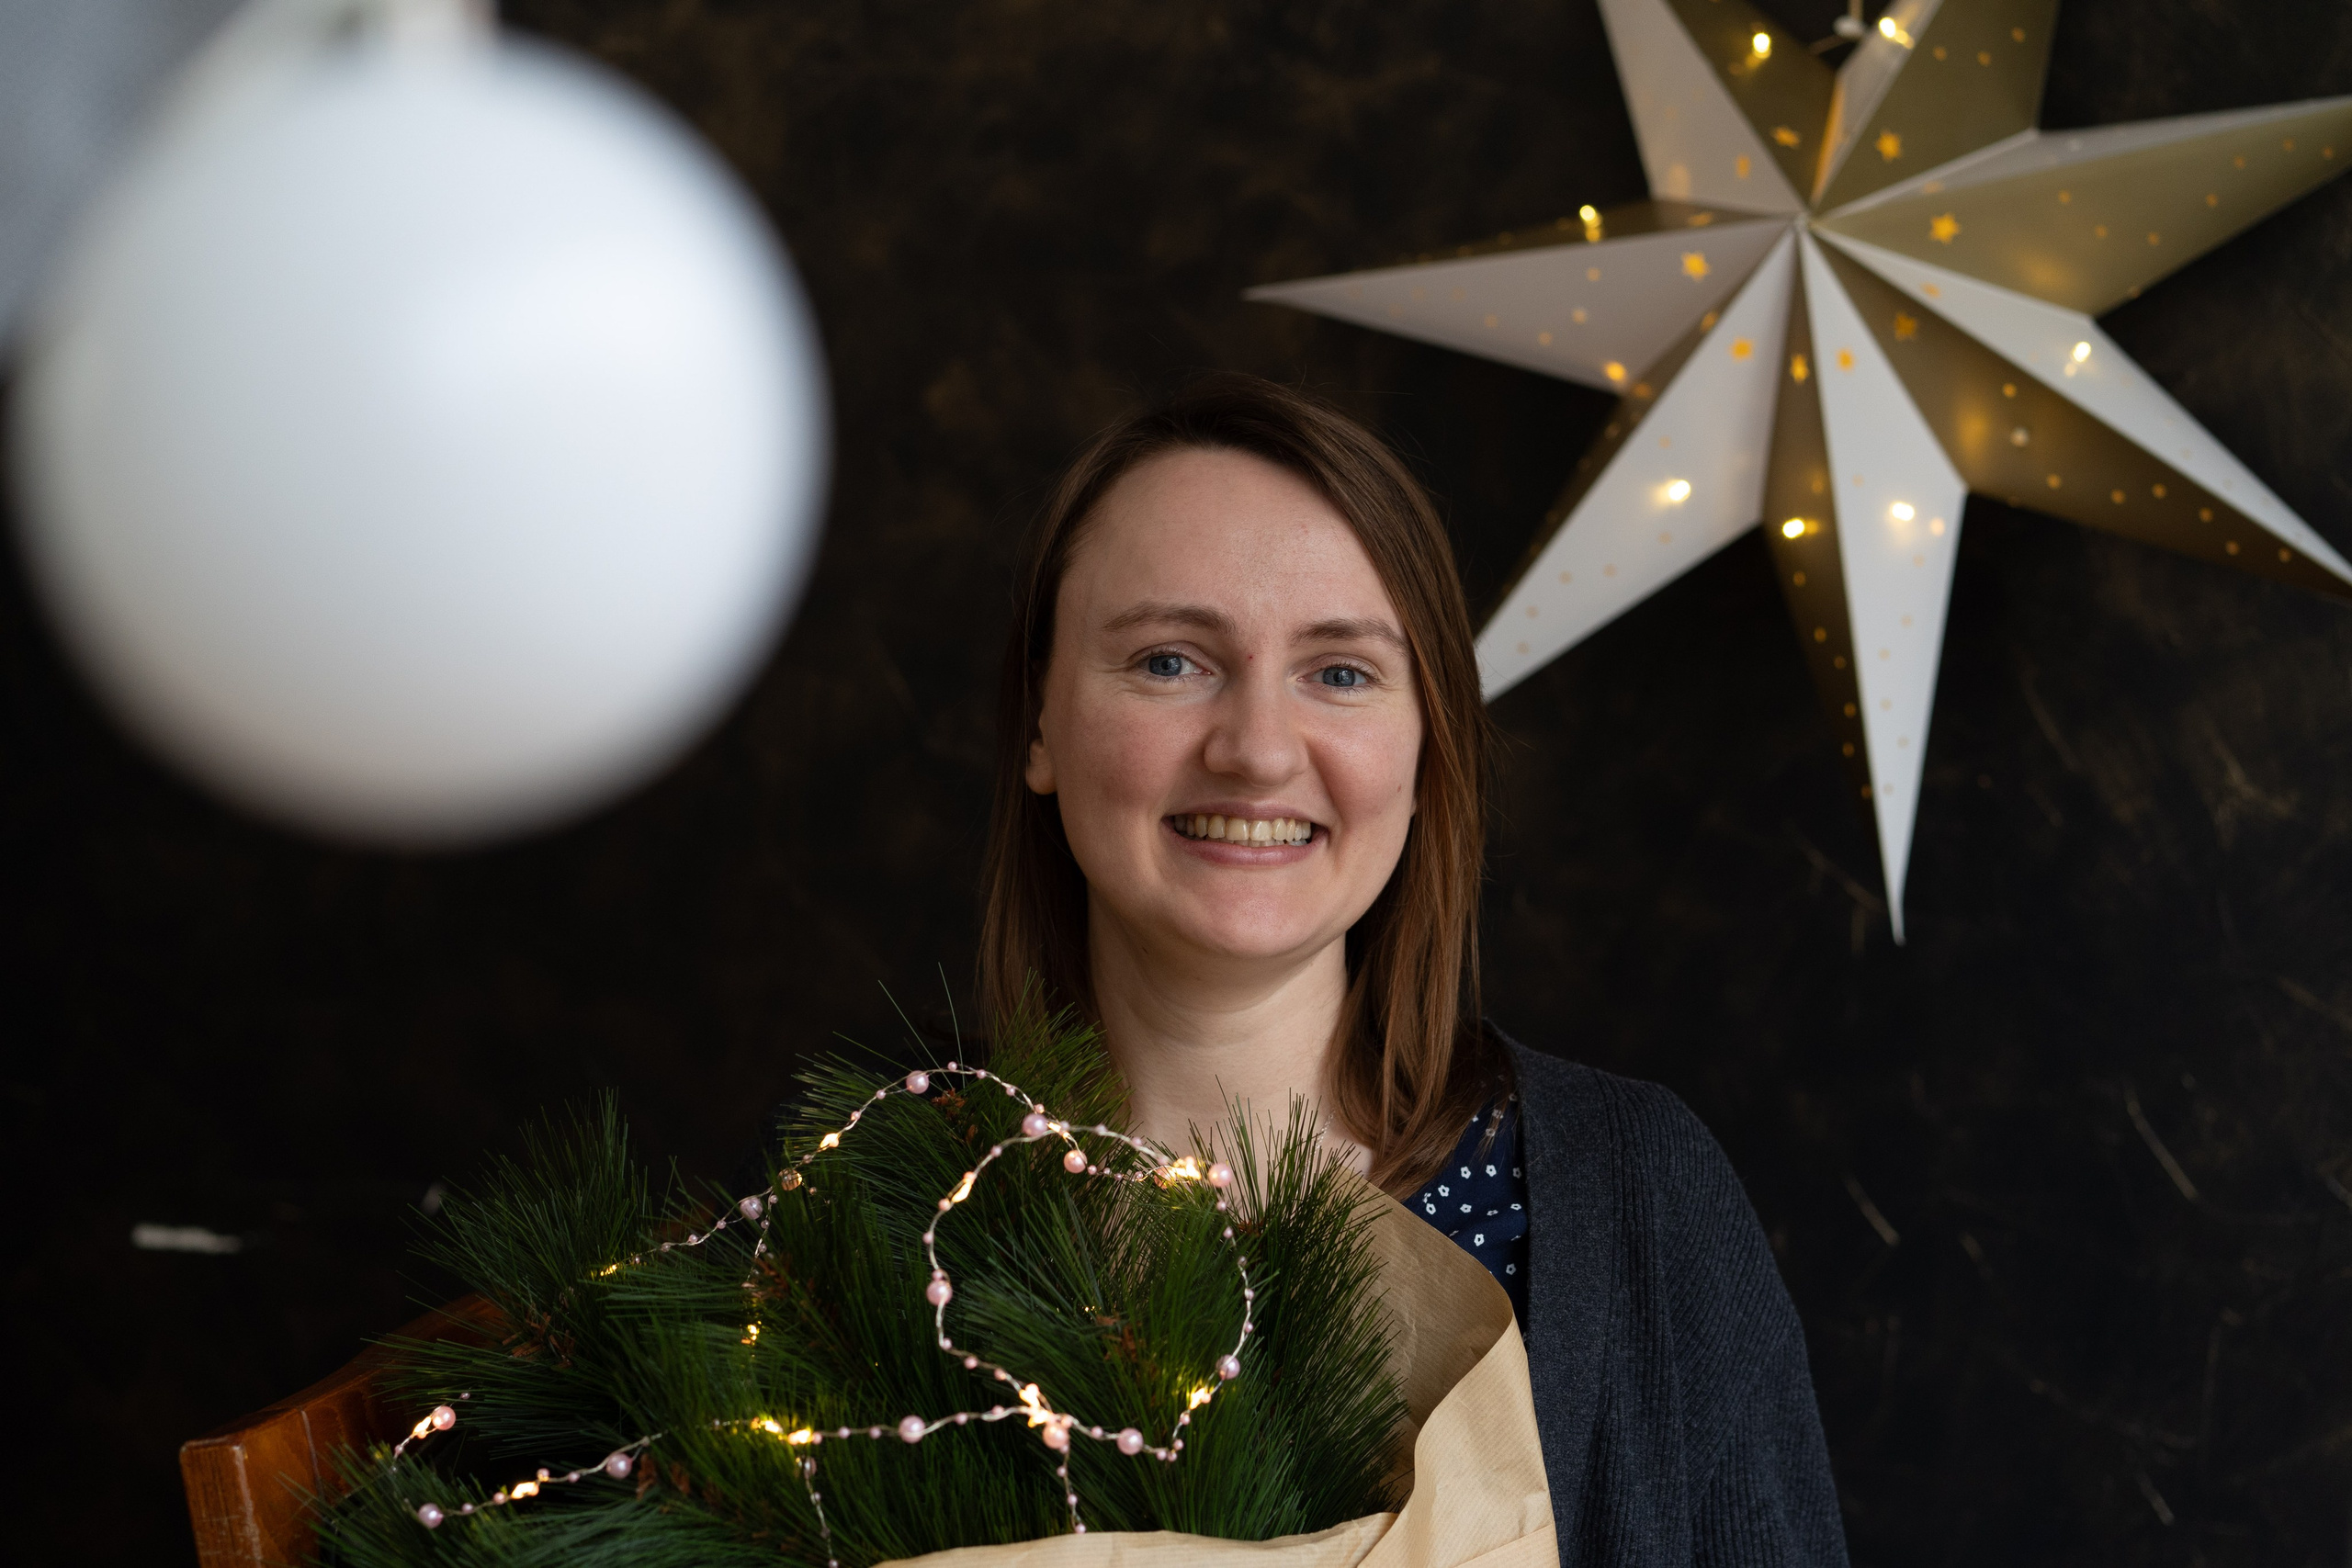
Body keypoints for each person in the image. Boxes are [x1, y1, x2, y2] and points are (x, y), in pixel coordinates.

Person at [978, 372, 1849, 1567]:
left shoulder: (1631, 1201)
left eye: (1339, 673)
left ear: (1426, 739)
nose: (1258, 748)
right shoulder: (864, 1198)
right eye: (1172, 661)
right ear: (1040, 724)